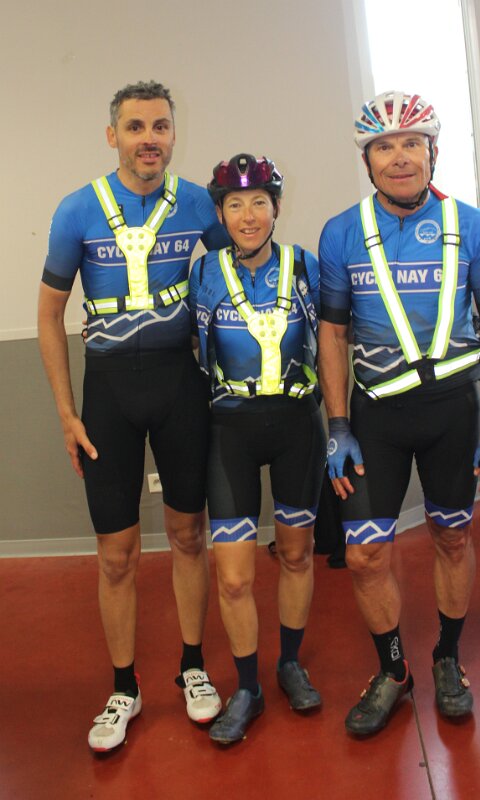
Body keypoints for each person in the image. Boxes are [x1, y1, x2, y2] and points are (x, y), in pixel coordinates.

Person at [318, 91, 480, 736]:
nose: (399, 157)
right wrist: (337, 425)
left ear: (433, 151)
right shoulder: (341, 232)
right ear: (368, 160)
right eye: (384, 147)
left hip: (451, 412)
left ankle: (447, 658)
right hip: (374, 417)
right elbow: (332, 334)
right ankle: (393, 671)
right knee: (363, 556)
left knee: (452, 537)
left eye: (411, 143)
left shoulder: (472, 226)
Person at [38, 81, 230, 752]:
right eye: (135, 126)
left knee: (188, 535)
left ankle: (192, 666)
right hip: (109, 396)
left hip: (181, 387)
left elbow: (238, 272)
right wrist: (66, 413)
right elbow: (48, 315)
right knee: (115, 555)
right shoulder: (76, 210)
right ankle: (124, 687)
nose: (149, 138)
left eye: (160, 126)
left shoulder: (199, 204)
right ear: (112, 135)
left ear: (173, 134)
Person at [190, 154, 326, 744]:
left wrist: (342, 426)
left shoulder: (305, 266)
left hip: (298, 426)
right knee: (234, 577)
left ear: (276, 208)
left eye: (259, 203)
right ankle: (247, 688)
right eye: (235, 205)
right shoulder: (203, 272)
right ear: (220, 214)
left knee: (296, 555)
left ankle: (289, 663)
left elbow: (336, 340)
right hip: (230, 433)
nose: (248, 216)